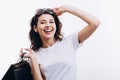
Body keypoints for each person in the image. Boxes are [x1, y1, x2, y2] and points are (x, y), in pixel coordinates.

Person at [19, 5, 100, 80]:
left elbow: (95, 23)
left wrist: (66, 8)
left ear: (55, 25)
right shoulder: (35, 54)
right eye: (43, 22)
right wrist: (33, 59)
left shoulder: (70, 42)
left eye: (51, 22)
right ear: (35, 28)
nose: (48, 25)